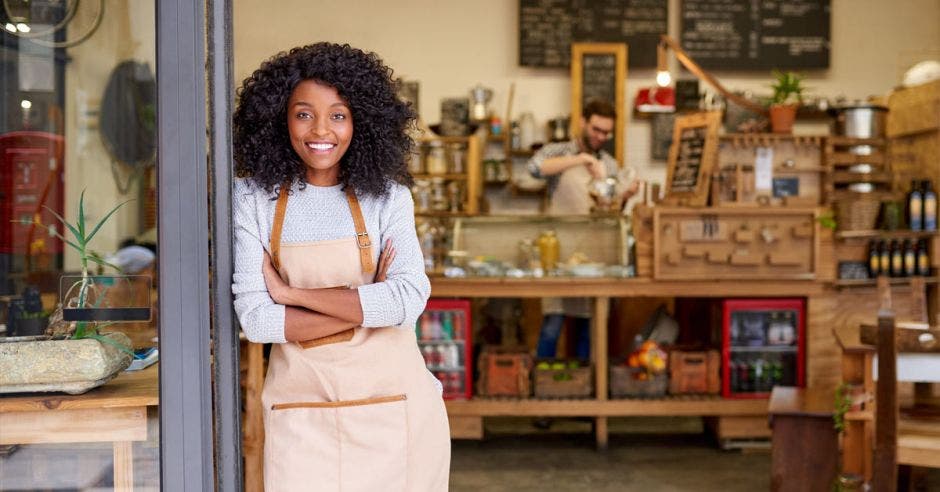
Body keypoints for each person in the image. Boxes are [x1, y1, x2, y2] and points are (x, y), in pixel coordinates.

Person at [231, 43, 449, 491]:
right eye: (304, 113)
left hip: (396, 413)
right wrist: (366, 304)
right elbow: (257, 320)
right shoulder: (253, 198)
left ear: (360, 122)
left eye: (339, 114)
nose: (321, 130)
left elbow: (407, 303)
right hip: (301, 413)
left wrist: (292, 296)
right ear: (279, 119)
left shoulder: (389, 197)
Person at [527, 99, 639, 359]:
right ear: (582, 122)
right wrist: (579, 159)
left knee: (590, 329)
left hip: (594, 256)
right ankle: (542, 388)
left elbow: (610, 211)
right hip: (558, 253)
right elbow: (534, 168)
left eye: (606, 132)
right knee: (552, 327)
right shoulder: (558, 150)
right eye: (596, 129)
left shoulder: (610, 165)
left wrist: (625, 196)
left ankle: (583, 387)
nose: (601, 136)